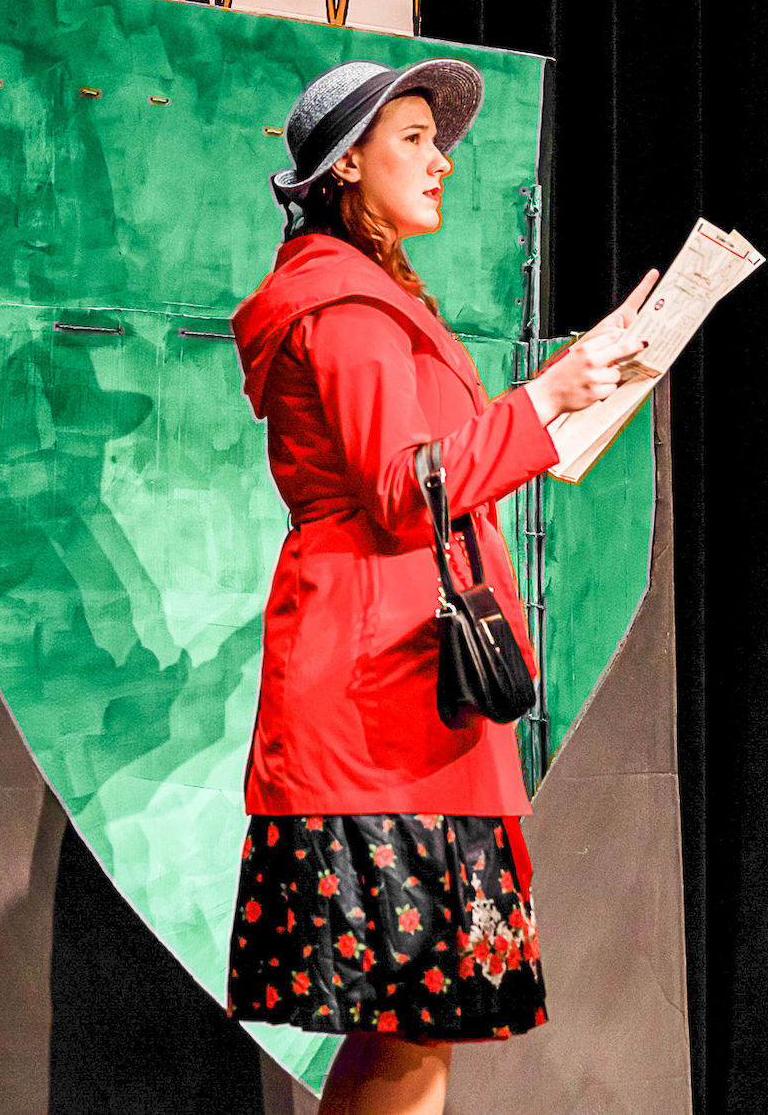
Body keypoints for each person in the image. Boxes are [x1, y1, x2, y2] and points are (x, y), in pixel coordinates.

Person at [226, 57, 654, 1115]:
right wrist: (543, 397)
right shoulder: (342, 305)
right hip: (380, 695)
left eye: (437, 138)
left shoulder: (368, 297)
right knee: (414, 1020)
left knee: (414, 1023)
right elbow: (399, 483)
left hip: (408, 678)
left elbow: (440, 464)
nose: (441, 160)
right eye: (412, 138)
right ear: (344, 165)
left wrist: (565, 399)